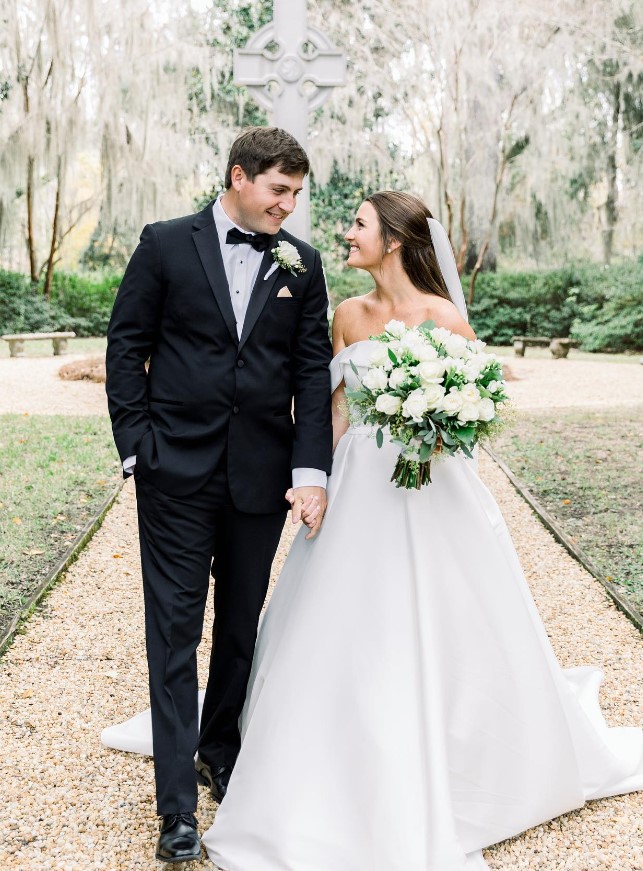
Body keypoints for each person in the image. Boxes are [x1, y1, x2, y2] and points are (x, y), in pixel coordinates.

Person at [104, 191, 643, 870]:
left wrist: (437, 425)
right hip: (359, 484)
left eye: (357, 223)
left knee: (437, 621)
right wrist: (313, 483)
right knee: (333, 621)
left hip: (430, 491)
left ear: (392, 239)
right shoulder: (347, 315)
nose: (344, 232)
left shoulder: (444, 315)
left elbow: (476, 404)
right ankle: (297, 754)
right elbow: (332, 405)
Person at [104, 126, 333, 863]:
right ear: (239, 176)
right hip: (174, 473)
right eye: (278, 190)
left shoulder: (305, 264)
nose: (287, 207)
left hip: (260, 478)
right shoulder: (165, 243)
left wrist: (309, 473)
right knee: (173, 634)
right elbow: (125, 344)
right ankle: (175, 809)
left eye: (296, 194)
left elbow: (307, 372)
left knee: (238, 626)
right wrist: (138, 446)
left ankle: (219, 748)